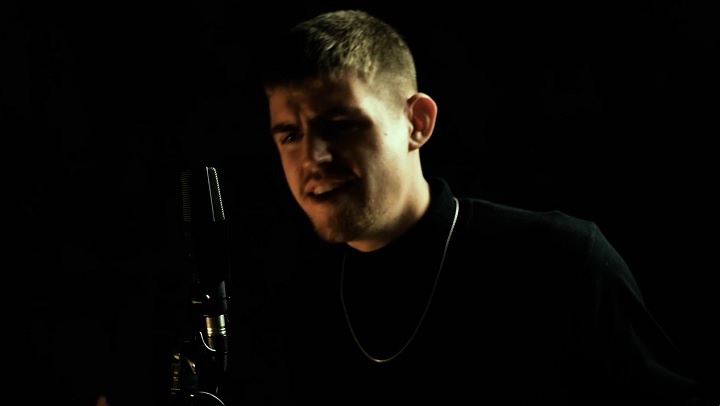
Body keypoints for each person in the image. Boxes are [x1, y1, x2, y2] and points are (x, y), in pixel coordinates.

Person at [93, 8, 715, 406]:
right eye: (290, 134)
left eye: (341, 125)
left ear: (417, 122)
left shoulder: (561, 262)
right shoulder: (287, 312)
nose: (313, 158)